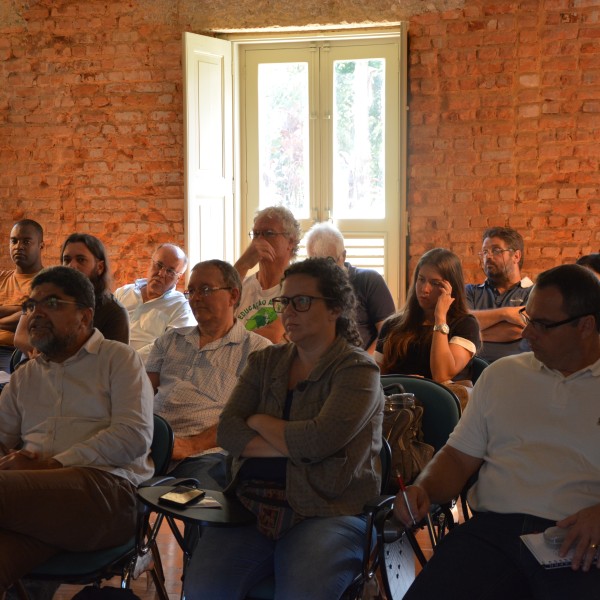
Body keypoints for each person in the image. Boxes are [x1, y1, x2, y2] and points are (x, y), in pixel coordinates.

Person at [394, 263, 600, 600]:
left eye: (543, 326)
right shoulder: (503, 375)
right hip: (494, 531)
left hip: (578, 536)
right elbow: (458, 458)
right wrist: (424, 489)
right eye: (527, 319)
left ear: (586, 326)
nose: (527, 334)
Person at [184, 258, 384, 600]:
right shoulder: (265, 361)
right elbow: (228, 432)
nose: (288, 312)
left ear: (335, 308)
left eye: (302, 302)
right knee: (201, 591)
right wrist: (298, 441)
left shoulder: (357, 370)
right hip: (250, 504)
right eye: (284, 302)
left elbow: (319, 441)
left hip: (327, 510)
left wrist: (259, 421)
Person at [0, 266, 154, 591]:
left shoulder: (119, 360)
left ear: (84, 317)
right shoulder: (25, 376)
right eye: (30, 305)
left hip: (107, 493)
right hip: (38, 506)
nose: (35, 314)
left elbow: (134, 436)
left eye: (51, 303)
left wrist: (50, 465)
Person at [146, 259, 271, 490]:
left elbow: (247, 419)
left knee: (200, 506)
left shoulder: (257, 351)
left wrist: (191, 446)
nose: (195, 298)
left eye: (205, 290)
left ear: (233, 295)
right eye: (191, 291)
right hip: (150, 445)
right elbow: (142, 396)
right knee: (106, 486)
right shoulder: (169, 340)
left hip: (205, 455)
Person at [13, 234, 130, 362]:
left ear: (100, 267)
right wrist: (42, 355)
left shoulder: (114, 312)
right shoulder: (46, 294)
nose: (71, 266)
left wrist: (54, 359)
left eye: (81, 260)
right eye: (66, 259)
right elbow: (20, 336)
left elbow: (113, 361)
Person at [375, 248, 480, 384]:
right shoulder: (393, 325)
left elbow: (442, 375)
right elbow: (375, 377)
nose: (425, 289)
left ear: (451, 288)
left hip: (443, 403)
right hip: (398, 401)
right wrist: (407, 382)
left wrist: (440, 318)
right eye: (421, 279)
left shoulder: (465, 325)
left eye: (435, 283)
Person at [305, 221, 396, 353]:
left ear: (343, 256)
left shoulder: (369, 280)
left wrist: (366, 363)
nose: (322, 271)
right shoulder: (307, 287)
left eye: (329, 262)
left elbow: (389, 333)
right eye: (315, 263)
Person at [115, 243, 195, 362]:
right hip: (106, 363)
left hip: (143, 371)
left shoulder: (180, 307)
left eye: (170, 271)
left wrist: (128, 361)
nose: (161, 274)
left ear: (179, 277)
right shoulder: (123, 292)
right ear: (150, 263)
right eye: (159, 265)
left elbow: (171, 345)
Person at [234, 206, 302, 343]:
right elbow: (214, 315)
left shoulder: (299, 288)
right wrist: (242, 265)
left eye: (269, 233)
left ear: (291, 242)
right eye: (256, 234)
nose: (259, 241)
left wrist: (228, 337)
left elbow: (272, 336)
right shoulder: (242, 282)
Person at [466, 226, 533, 362]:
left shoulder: (534, 292)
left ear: (516, 256)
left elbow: (517, 330)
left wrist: (471, 333)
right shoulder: (470, 291)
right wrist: (506, 314)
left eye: (496, 250)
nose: (488, 256)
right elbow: (462, 323)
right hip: (472, 374)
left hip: (516, 373)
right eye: (484, 252)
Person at [0, 220, 44, 372]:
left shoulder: (47, 282)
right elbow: (25, 313)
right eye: (14, 241)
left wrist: (20, 313)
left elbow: (30, 318)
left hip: (12, 352)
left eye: (26, 241)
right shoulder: (2, 278)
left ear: (41, 246)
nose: (18, 246)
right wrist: (21, 309)